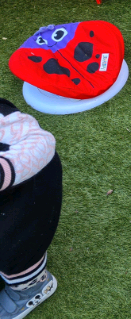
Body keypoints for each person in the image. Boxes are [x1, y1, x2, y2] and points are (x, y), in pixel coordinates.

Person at [0, 99, 61, 319]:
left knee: (15, 249)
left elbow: (42, 142)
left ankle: (31, 286)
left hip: (22, 194)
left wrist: (3, 171)